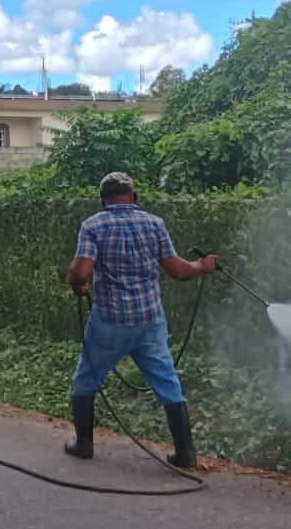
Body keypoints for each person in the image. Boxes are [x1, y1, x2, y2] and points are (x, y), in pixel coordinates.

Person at [65, 171, 217, 467]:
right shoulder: (154, 223)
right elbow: (178, 271)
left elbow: (81, 272)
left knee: (86, 380)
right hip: (149, 321)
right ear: (133, 196)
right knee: (167, 383)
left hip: (110, 322)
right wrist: (201, 265)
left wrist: (76, 284)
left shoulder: (93, 225)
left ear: (103, 200)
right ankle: (185, 452)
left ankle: (84, 444)